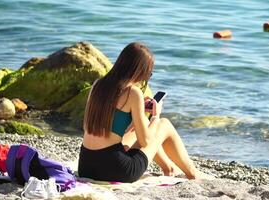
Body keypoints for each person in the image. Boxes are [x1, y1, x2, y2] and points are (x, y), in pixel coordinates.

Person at [78, 42, 199, 183]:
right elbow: (145, 141)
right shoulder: (132, 92)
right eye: (148, 73)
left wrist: (139, 111)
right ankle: (192, 174)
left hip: (86, 166)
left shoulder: (98, 85)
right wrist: (155, 115)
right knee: (163, 124)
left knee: (140, 126)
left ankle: (168, 169)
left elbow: (91, 126)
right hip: (116, 170)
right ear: (141, 71)